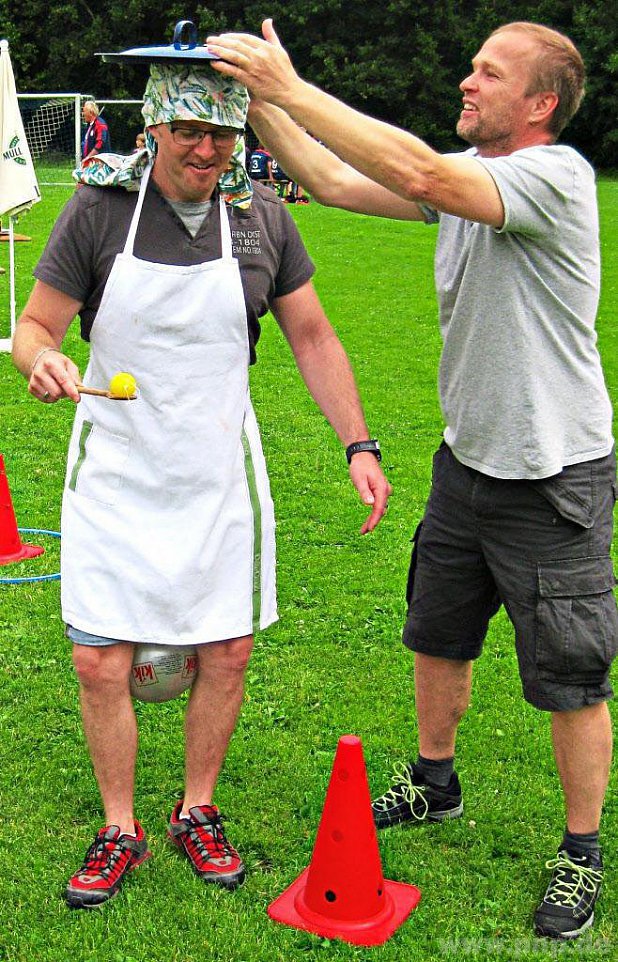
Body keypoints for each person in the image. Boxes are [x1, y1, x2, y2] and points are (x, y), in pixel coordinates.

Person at [206, 20, 618, 941]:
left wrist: (294, 80)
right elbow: (334, 180)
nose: (468, 83)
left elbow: (424, 175)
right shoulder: (471, 186)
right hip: (466, 462)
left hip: (553, 476)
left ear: (540, 103)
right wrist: (263, 104)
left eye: (488, 73)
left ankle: (582, 850)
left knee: (570, 675)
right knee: (438, 635)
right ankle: (435, 783)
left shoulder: (553, 179)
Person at [13, 60, 390, 909]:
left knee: (226, 650)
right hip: (114, 468)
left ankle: (197, 809)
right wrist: (42, 359)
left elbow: (315, 338)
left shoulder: (260, 221)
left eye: (222, 133)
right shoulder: (98, 209)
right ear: (152, 132)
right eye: (190, 131)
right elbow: (34, 325)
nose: (207, 150)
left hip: (220, 469)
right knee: (99, 660)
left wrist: (358, 442)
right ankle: (119, 826)